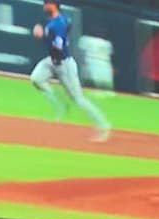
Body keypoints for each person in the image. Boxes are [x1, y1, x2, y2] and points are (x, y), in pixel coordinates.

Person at [30, 0, 112, 142]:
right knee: (36, 79)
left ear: (53, 5)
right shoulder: (60, 20)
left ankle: (104, 126)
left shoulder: (58, 24)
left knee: (78, 99)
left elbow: (58, 47)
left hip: (64, 64)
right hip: (52, 61)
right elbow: (66, 26)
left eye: (46, 3)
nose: (44, 6)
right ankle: (61, 106)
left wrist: (42, 35)